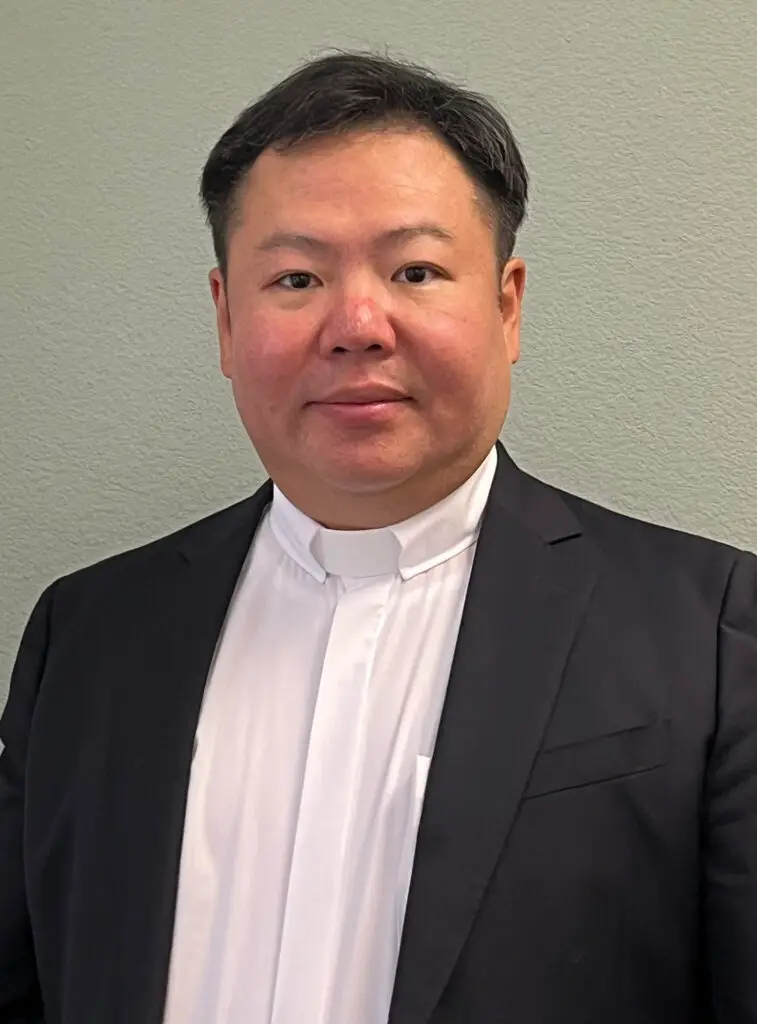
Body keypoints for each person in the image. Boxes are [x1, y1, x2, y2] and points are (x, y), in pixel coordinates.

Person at [1, 49, 756, 1024]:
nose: (357, 323)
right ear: (226, 318)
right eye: (297, 277)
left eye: (415, 269)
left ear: (506, 303)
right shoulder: (88, 633)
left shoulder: (712, 633)